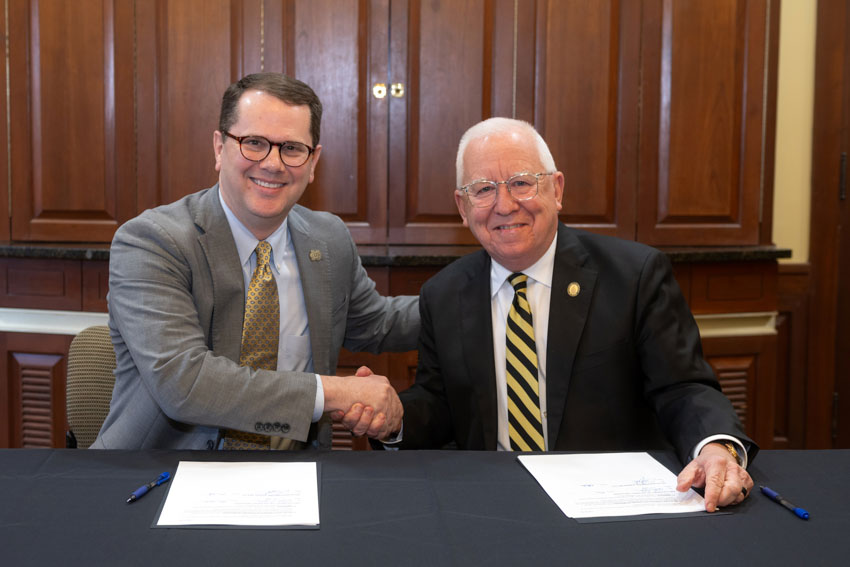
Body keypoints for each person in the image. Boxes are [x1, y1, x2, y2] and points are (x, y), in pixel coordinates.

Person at [361, 117, 756, 512]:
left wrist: (716, 446)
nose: (504, 205)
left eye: (521, 182)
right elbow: (441, 405)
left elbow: (683, 388)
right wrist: (394, 418)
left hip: (609, 504)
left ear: (557, 188)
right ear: (463, 208)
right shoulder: (443, 293)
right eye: (483, 190)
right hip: (490, 500)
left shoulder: (634, 276)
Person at [93, 73, 417, 450]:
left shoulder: (328, 239)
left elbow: (377, 324)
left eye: (292, 148)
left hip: (291, 479)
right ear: (219, 147)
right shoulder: (153, 241)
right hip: (160, 474)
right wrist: (335, 392)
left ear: (314, 162)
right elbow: (186, 382)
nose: (273, 163)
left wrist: (484, 283)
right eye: (254, 143)